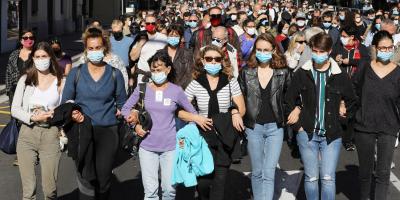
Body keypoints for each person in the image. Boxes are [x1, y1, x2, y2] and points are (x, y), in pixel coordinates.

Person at [121, 50, 203, 200]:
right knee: (150, 192)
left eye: (159, 69)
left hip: (170, 148)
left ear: (168, 69)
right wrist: (135, 125)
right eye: (153, 70)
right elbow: (125, 109)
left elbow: (192, 113)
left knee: (169, 190)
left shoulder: (176, 91)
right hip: (147, 147)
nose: (155, 73)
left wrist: (192, 131)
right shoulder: (142, 89)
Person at [285, 33, 357, 200]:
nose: (318, 55)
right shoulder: (302, 73)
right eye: (315, 51)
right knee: (311, 177)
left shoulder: (340, 75)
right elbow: (288, 99)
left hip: (332, 135)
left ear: (329, 51)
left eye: (321, 51)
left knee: (328, 177)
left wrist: (344, 112)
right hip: (307, 132)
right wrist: (298, 124)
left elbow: (353, 101)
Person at [62, 26, 127, 199]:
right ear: (85, 49)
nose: (94, 51)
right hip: (82, 131)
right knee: (85, 178)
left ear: (105, 47)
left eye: (98, 47)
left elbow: (123, 103)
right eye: (91, 48)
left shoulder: (115, 74)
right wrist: (73, 113)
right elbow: (66, 102)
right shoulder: (75, 73)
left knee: (104, 177)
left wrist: (128, 113)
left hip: (107, 131)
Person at [184, 45, 246, 200]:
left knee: (219, 181)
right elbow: (180, 110)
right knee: (204, 181)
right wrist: (196, 118)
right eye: (209, 59)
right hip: (203, 137)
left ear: (222, 61)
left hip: (224, 136)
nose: (213, 62)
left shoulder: (230, 82)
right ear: (203, 61)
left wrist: (235, 112)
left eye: (217, 59)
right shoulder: (196, 83)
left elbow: (242, 107)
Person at [238, 33, 290, 200]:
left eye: (266, 50)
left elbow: (291, 97)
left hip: (275, 127)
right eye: (259, 49)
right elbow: (239, 97)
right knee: (258, 171)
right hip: (253, 127)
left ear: (274, 50)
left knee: (269, 172)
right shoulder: (246, 72)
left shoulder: (283, 72)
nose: (262, 53)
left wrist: (294, 110)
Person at [11, 42, 63, 200]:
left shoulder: (60, 81)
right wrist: (33, 117)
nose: (41, 60)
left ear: (51, 58)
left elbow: (66, 108)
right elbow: (15, 109)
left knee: (50, 191)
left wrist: (55, 113)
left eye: (44, 56)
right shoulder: (26, 80)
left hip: (50, 134)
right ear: (33, 59)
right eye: (38, 57)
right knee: (28, 191)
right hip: (28, 133)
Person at [353, 30, 400, 200]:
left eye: (390, 48)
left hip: (388, 128)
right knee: (365, 173)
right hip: (364, 126)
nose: (386, 51)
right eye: (383, 48)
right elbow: (354, 92)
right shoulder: (365, 68)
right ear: (375, 48)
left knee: (383, 173)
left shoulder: (398, 72)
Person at [6, 29, 36, 107]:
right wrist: (8, 90)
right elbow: (8, 73)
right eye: (25, 38)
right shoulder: (14, 54)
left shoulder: (37, 54)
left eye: (31, 38)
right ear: (21, 40)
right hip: (15, 89)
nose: (28, 40)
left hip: (31, 88)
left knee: (28, 114)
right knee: (15, 115)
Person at [161, 24, 194, 90]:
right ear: (167, 36)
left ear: (181, 38)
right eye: (171, 35)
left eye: (176, 36)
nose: (173, 38)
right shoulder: (160, 53)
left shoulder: (187, 53)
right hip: (164, 91)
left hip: (181, 91)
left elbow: (189, 75)